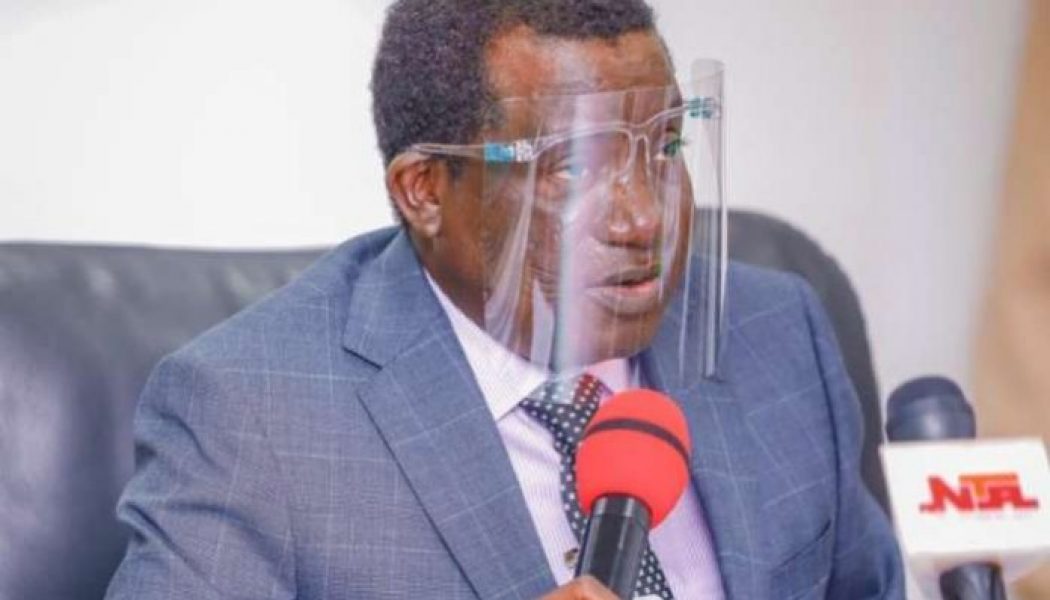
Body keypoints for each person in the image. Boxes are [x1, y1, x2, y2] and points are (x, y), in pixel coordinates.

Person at [105, 1, 903, 598]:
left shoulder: (778, 331)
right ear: (425, 191)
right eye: (573, 167)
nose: (643, 218)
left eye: (664, 146)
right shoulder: (253, 416)